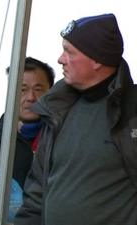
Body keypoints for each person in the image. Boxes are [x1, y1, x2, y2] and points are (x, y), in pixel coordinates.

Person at [15, 14, 137, 225]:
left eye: (69, 52)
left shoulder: (131, 111)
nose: (60, 59)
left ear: (97, 60)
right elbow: (37, 190)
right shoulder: (57, 108)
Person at [0, 57, 55, 188]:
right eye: (23, 89)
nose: (31, 97)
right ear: (10, 93)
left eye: (38, 89)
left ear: (50, 93)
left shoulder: (62, 140)